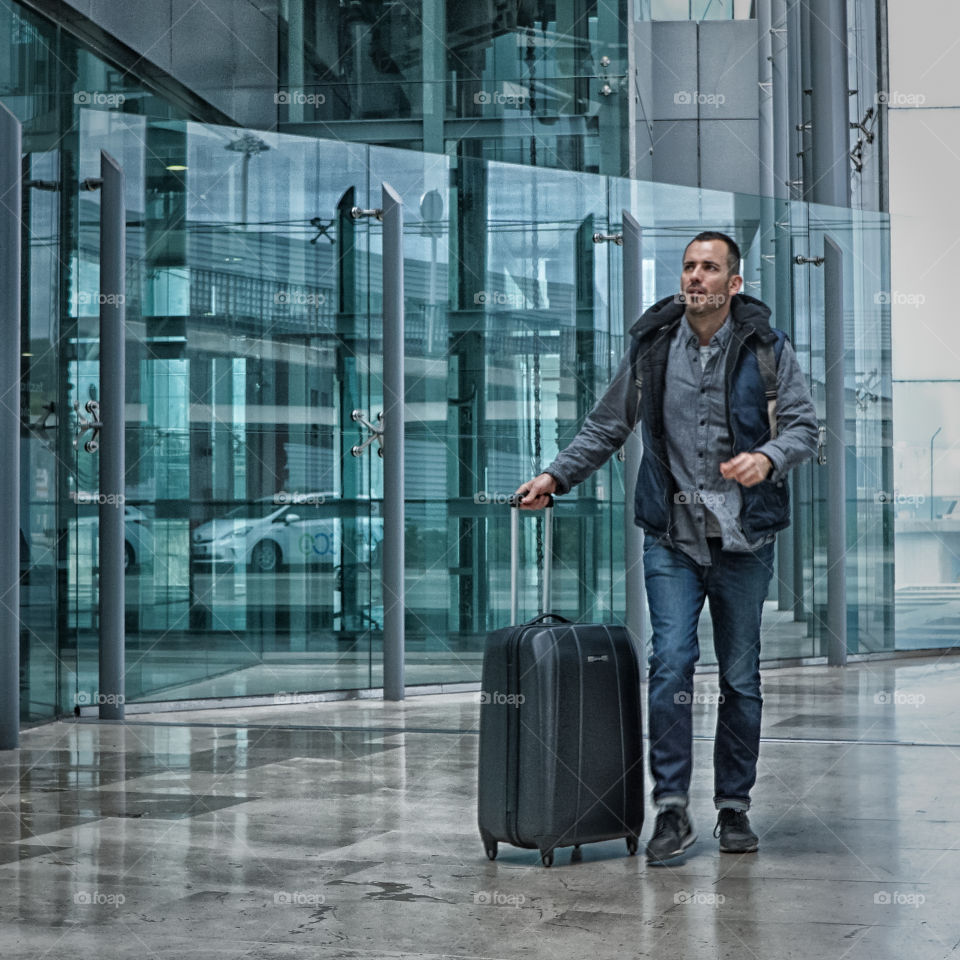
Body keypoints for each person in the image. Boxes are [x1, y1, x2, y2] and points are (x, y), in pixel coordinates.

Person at [514, 231, 818, 863]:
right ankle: (671, 810)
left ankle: (734, 808)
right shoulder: (653, 348)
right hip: (672, 541)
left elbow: (804, 428)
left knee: (740, 677)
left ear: (734, 284)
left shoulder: (767, 348)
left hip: (743, 541)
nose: (695, 277)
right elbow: (607, 423)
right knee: (671, 663)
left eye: (710, 268)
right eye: (689, 267)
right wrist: (555, 475)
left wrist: (767, 457)